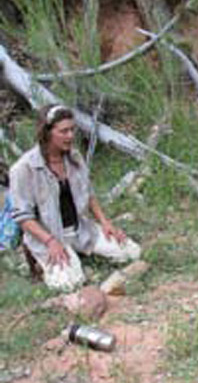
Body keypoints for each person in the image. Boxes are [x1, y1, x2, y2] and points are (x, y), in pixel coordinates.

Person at [9, 104, 141, 291]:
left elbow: (89, 194)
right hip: (49, 236)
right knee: (70, 283)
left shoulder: (74, 158)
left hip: (79, 229)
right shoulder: (24, 168)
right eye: (63, 131)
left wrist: (105, 222)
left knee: (131, 252)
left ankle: (79, 251)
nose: (70, 136)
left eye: (72, 130)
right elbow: (23, 217)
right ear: (47, 132)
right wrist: (50, 241)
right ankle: (41, 261)